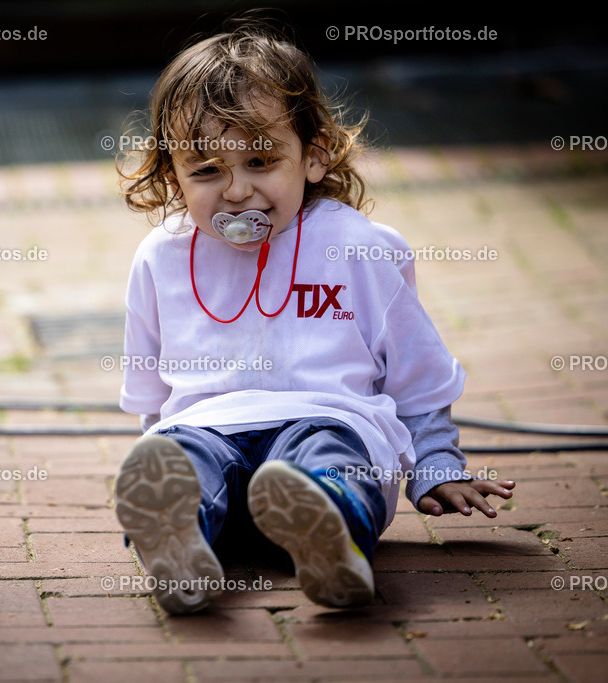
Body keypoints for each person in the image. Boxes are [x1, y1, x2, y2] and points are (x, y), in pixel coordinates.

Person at [113, 17, 516, 615]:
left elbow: (418, 370)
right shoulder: (161, 257)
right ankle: (178, 536)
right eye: (205, 171)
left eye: (259, 161)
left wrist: (434, 462)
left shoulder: (357, 246)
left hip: (328, 421)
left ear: (314, 156)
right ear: (172, 174)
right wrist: (163, 446)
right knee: (183, 453)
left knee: (329, 453)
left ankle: (328, 527)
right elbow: (152, 396)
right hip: (210, 429)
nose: (236, 190)